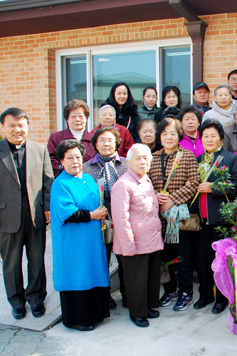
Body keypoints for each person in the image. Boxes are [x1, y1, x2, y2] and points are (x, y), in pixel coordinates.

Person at [0, 107, 53, 320]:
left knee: (37, 260)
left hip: (35, 214)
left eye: (21, 125)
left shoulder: (39, 149)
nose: (17, 129)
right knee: (11, 262)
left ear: (27, 126)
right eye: (12, 125)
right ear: (4, 126)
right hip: (6, 216)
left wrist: (47, 207)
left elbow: (48, 182)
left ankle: (36, 298)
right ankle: (16, 301)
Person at [50, 139, 110, 331]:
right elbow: (68, 213)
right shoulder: (60, 184)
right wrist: (93, 215)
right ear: (61, 160)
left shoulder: (87, 178)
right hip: (74, 242)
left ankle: (97, 314)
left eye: (78, 156)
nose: (75, 161)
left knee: (92, 272)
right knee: (78, 274)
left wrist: (102, 211)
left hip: (92, 239)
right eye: (69, 158)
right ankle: (79, 319)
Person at [194, 119, 237, 314]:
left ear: (221, 138)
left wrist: (214, 188)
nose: (209, 139)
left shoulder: (230, 159)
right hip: (201, 222)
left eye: (213, 135)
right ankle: (206, 295)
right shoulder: (198, 160)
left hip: (222, 221)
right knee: (202, 260)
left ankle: (222, 298)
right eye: (205, 136)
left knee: (222, 262)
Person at [148, 118, 200, 312]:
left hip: (179, 217)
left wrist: (173, 198)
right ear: (159, 136)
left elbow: (194, 183)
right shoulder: (153, 157)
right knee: (165, 257)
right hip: (158, 217)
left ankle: (186, 292)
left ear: (179, 136)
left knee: (183, 256)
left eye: (172, 133)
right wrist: (156, 197)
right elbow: (146, 185)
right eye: (164, 133)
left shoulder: (187, 156)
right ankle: (170, 289)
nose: (168, 137)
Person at [111, 144, 163, 328]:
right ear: (129, 161)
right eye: (138, 158)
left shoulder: (145, 179)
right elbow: (120, 218)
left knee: (150, 277)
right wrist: (127, 246)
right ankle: (137, 313)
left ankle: (148, 306)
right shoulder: (123, 184)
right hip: (134, 242)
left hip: (151, 239)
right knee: (136, 280)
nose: (143, 161)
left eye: (146, 158)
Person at [83, 126, 129, 309]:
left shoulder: (125, 164)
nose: (106, 143)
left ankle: (127, 294)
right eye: (101, 140)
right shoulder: (86, 168)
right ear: (95, 144)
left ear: (117, 143)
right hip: (98, 221)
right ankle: (105, 295)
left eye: (110, 140)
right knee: (102, 259)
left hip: (122, 220)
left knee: (124, 259)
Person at [48, 99, 96, 176]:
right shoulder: (56, 137)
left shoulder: (94, 139)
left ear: (86, 118)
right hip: (64, 179)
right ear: (67, 119)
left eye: (81, 116)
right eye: (73, 116)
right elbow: (50, 160)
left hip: (89, 180)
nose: (77, 120)